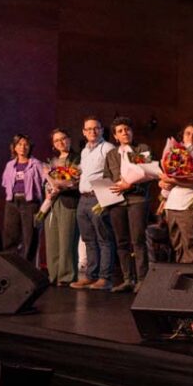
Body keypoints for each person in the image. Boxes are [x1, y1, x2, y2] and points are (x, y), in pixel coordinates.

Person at [103, 117, 151, 292]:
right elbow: (106, 177)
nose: (125, 133)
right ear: (115, 136)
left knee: (137, 239)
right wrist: (107, 189)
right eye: (121, 131)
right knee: (121, 241)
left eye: (127, 129)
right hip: (117, 202)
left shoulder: (141, 149)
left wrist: (130, 184)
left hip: (137, 200)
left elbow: (147, 174)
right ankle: (127, 279)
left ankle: (142, 279)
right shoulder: (111, 155)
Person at [72, 118, 116, 290]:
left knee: (104, 238)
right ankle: (91, 276)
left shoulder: (108, 148)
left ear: (101, 130)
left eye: (96, 128)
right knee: (88, 239)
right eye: (89, 129)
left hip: (99, 196)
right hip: (83, 198)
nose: (92, 131)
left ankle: (105, 278)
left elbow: (114, 173)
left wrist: (106, 198)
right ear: (83, 132)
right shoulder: (84, 151)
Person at [159, 123, 193, 264]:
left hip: (189, 205)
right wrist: (163, 183)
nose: (191, 137)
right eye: (188, 133)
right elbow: (165, 177)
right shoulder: (173, 153)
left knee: (191, 244)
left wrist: (172, 180)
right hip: (172, 205)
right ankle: (182, 277)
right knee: (177, 245)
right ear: (182, 136)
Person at [1, 134, 46, 263]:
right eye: (19, 144)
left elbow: (46, 182)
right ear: (14, 147)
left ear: (30, 147)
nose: (23, 147)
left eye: (26, 144)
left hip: (30, 203)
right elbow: (5, 183)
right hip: (12, 202)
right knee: (10, 236)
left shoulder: (37, 164)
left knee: (30, 237)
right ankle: (10, 266)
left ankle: (28, 268)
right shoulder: (9, 165)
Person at [43, 129, 80, 287]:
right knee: (52, 240)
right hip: (52, 202)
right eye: (56, 141)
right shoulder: (51, 161)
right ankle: (53, 274)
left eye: (63, 139)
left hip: (68, 201)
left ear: (69, 139)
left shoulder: (77, 158)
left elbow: (77, 180)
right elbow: (47, 181)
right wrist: (49, 190)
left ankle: (66, 276)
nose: (60, 142)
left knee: (67, 240)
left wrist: (62, 186)